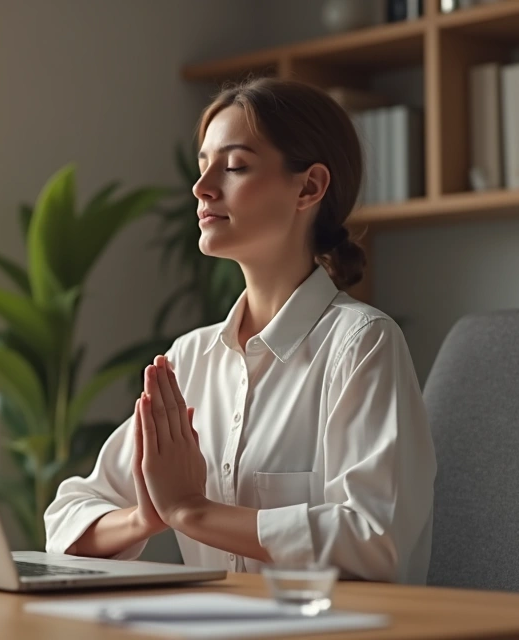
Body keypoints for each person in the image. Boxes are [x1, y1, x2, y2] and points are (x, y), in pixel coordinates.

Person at [43, 77, 436, 584]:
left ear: (310, 187)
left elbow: (373, 539)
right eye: (204, 165)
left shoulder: (361, 344)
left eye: (234, 166)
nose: (202, 187)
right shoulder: (190, 359)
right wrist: (146, 516)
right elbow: (68, 513)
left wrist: (191, 510)